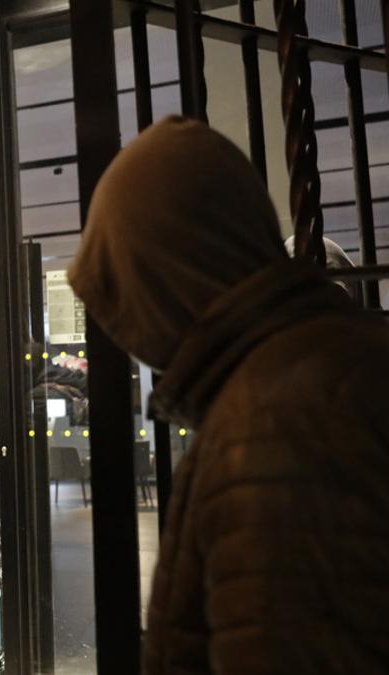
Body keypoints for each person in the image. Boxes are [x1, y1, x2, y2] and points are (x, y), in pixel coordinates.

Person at [67, 116, 389, 673]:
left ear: (168, 282)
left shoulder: (272, 429)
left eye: (129, 300)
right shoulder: (320, 370)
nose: (132, 337)